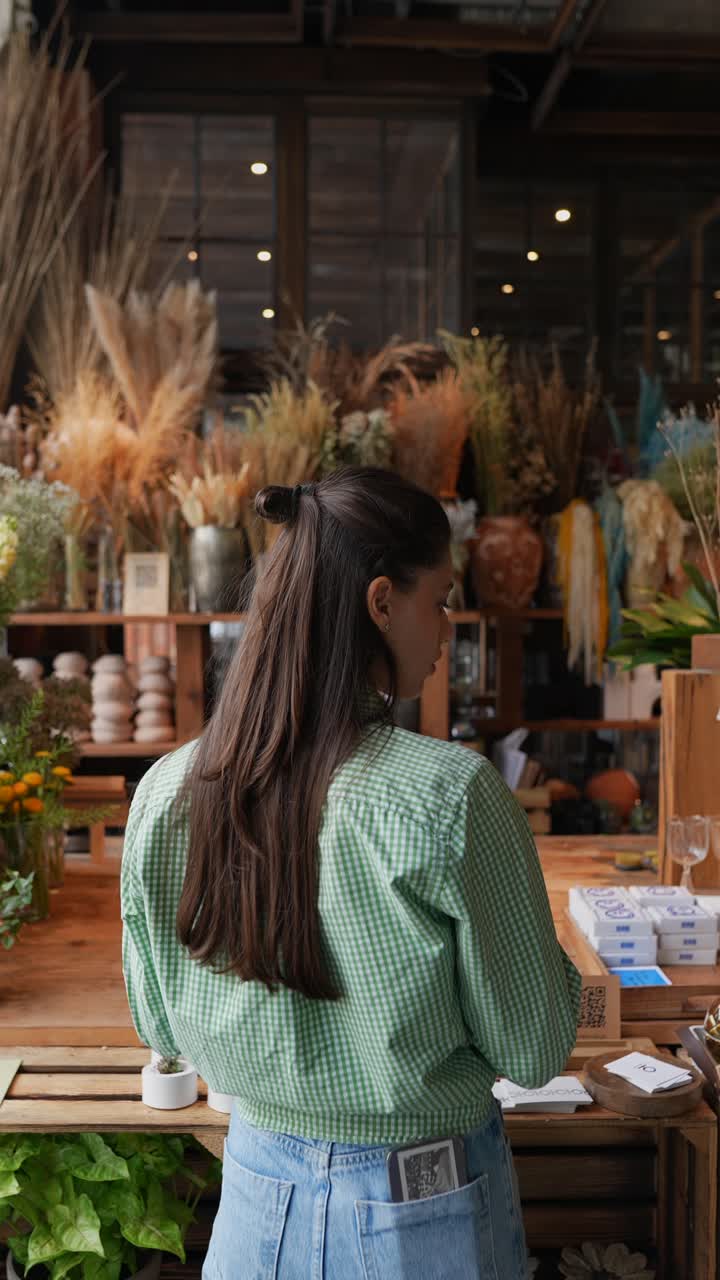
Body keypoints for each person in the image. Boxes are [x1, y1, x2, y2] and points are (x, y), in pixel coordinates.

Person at [121, 467, 581, 1280]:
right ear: (380, 603)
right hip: (421, 1209)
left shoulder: (167, 791)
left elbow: (159, 1027)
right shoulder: (451, 797)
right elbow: (535, 1046)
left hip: (256, 1205)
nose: (445, 630)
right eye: (439, 601)